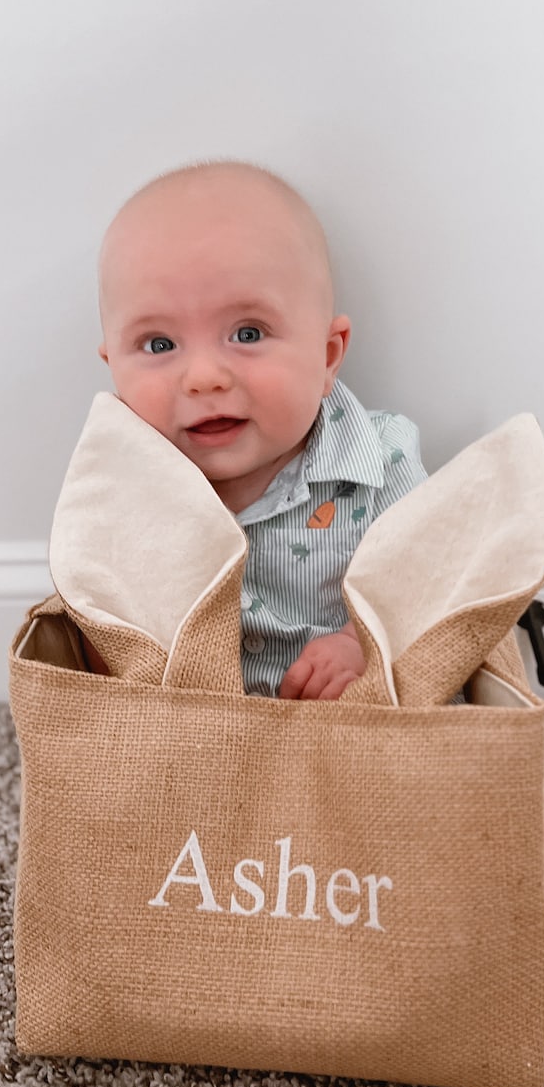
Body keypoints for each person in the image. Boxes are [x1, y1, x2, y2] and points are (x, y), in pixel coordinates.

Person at [96, 161, 427, 700]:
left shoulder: (383, 462)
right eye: (159, 345)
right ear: (113, 367)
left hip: (346, 733)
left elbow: (430, 579)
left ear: (326, 357)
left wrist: (358, 643)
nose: (203, 377)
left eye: (247, 333)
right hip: (199, 742)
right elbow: (105, 613)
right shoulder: (120, 488)